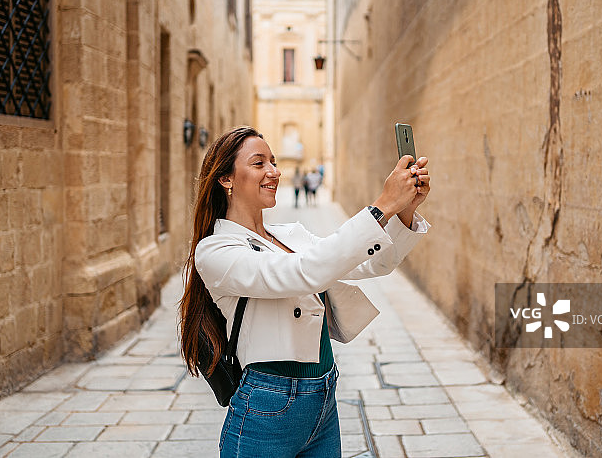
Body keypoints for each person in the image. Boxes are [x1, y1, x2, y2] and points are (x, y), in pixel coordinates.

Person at [179, 126, 431, 458]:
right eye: (259, 164)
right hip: (266, 407)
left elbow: (374, 263)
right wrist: (381, 205)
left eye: (273, 161)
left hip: (324, 397)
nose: (274, 171)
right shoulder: (215, 250)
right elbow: (304, 273)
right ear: (226, 179)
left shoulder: (290, 234)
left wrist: (404, 211)